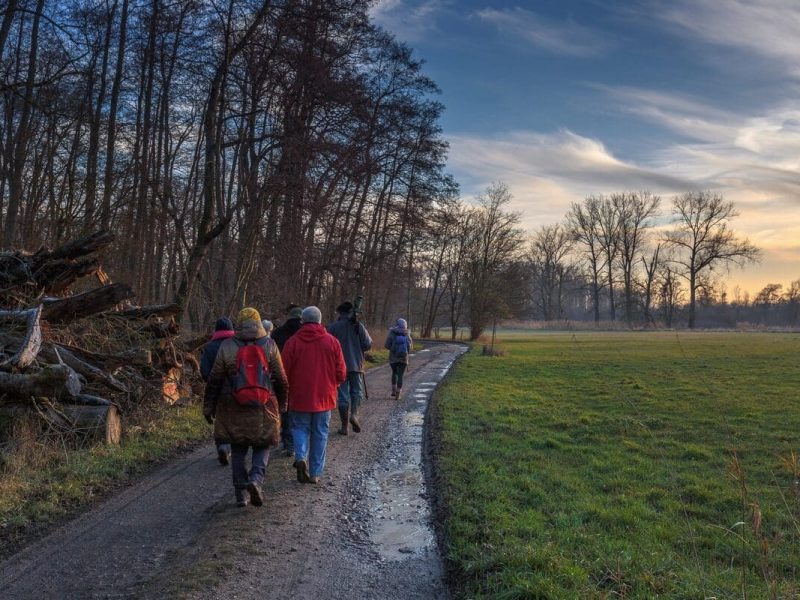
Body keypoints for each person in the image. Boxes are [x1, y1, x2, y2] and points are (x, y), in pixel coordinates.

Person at [204, 307, 288, 507]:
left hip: (232, 403)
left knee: (238, 447)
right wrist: (283, 404)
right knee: (263, 444)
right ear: (258, 323)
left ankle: (241, 494)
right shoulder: (269, 344)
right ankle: (256, 480)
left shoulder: (227, 345)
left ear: (239, 323)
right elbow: (281, 379)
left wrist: (208, 407)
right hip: (264, 404)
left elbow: (214, 379)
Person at [281, 306, 346, 483]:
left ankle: (301, 456)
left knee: (299, 428)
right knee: (320, 433)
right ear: (320, 321)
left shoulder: (292, 342)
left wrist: (287, 391)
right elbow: (341, 372)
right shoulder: (332, 342)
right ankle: (315, 473)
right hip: (324, 397)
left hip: (299, 396)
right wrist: (334, 384)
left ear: (302, 321)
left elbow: (283, 372)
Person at [327, 300, 372, 435]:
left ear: (340, 312)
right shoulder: (358, 326)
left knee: (343, 396)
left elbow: (327, 347)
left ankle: (344, 427)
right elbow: (368, 344)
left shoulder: (333, 327)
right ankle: (354, 415)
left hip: (339, 367)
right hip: (356, 365)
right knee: (356, 392)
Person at [200, 316, 235, 465]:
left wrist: (211, 381)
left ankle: (222, 446)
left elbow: (204, 371)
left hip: (217, 389)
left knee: (220, 420)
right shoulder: (237, 345)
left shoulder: (209, 347)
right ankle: (229, 447)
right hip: (236, 388)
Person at [272, 305, 303, 454]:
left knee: (284, 408)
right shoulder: (303, 333)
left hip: (280, 375)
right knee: (300, 410)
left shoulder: (277, 333)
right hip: (301, 376)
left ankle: (287, 442)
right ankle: (297, 442)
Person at [384, 318, 413, 398]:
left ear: (397, 324)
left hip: (393, 358)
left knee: (394, 373)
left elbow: (386, 345)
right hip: (403, 358)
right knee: (400, 375)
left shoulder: (392, 332)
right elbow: (410, 347)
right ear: (405, 325)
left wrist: (393, 349)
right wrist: (406, 352)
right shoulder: (407, 333)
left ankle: (393, 391)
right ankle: (398, 393)